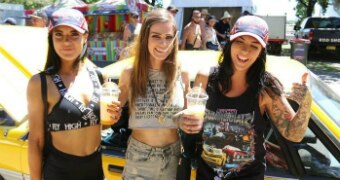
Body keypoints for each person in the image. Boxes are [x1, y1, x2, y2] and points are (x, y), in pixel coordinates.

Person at [179, 15, 312, 179]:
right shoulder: (205, 77)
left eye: (254, 46)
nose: (245, 51)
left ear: (261, 51)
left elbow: (294, 134)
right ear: (230, 43)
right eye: (239, 42)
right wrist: (185, 121)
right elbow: (191, 118)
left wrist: (306, 103)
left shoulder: (266, 88)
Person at [27, 8, 107, 180]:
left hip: (95, 172)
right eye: (59, 35)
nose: (66, 41)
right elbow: (36, 141)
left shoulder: (100, 76)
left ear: (85, 36)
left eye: (73, 34)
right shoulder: (40, 83)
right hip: (59, 172)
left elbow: (102, 125)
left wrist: (112, 118)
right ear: (51, 38)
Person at [113, 9, 190, 179]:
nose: (163, 44)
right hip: (140, 158)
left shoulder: (182, 73)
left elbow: (189, 116)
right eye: (156, 36)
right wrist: (112, 112)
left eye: (168, 37)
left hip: (173, 157)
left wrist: (192, 121)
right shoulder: (130, 73)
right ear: (145, 38)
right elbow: (110, 117)